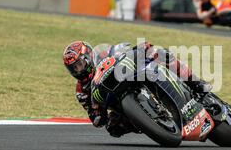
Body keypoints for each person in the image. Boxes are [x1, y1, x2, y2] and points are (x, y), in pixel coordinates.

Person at [62, 41, 211, 138]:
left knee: (162, 54)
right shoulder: (82, 90)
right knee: (113, 128)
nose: (77, 71)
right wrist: (97, 112)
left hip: (133, 75)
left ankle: (195, 82)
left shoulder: (102, 55)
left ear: (87, 57)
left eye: (79, 65)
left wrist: (139, 49)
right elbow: (95, 119)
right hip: (118, 103)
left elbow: (121, 49)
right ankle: (151, 123)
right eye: (73, 69)